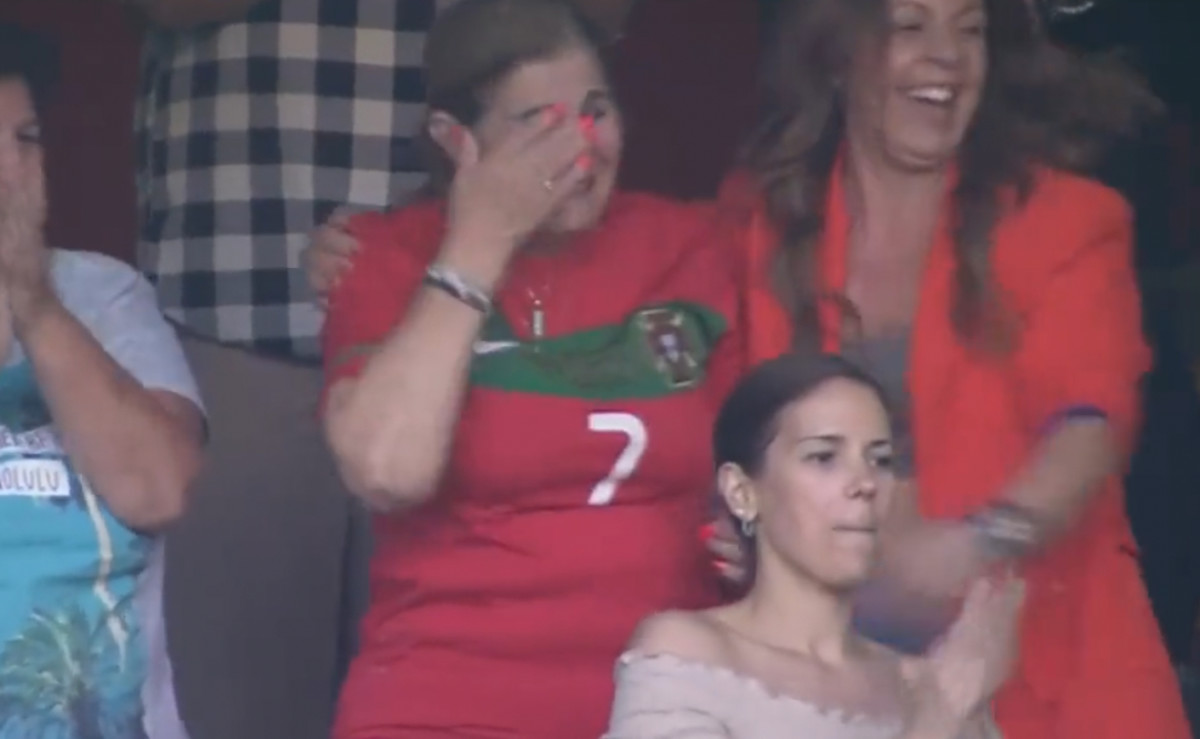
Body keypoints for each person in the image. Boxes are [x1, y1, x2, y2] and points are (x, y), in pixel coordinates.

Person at [729, 0, 1190, 736]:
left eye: (969, 29)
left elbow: (1090, 420)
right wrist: (736, 524)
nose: (947, 53)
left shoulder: (1066, 217)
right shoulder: (768, 223)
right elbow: (735, 427)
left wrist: (983, 540)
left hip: (1051, 683)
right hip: (841, 694)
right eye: (911, 26)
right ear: (841, 58)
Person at [319, 1, 743, 737]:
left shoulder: (691, 244)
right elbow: (388, 469)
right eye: (538, 124)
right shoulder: (383, 257)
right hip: (442, 700)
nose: (582, 148)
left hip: (670, 701)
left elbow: (773, 457)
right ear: (457, 144)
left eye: (595, 111)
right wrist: (477, 244)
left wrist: (756, 532)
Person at [128, 0, 443, 734]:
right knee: (237, 700)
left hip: (471, 308)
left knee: (441, 682)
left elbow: (603, 18)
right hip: (240, 293)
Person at [606, 353, 1020, 738]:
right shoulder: (686, 652)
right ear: (741, 491)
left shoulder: (924, 680)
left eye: (880, 460)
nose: (864, 484)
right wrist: (939, 719)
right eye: (823, 457)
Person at [0, 23, 205, 738]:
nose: (11, 171)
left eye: (25, 139)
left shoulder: (101, 295)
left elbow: (158, 487)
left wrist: (31, 301)